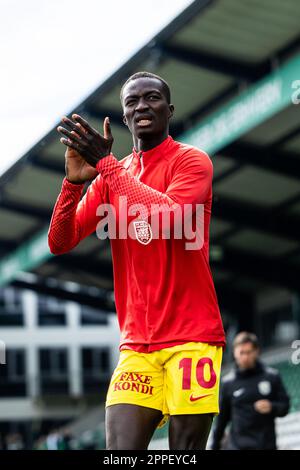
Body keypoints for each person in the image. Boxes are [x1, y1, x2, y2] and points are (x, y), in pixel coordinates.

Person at [48, 71, 225, 450]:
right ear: (124, 117)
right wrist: (73, 183)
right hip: (137, 347)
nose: (142, 106)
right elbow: (59, 243)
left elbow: (167, 219)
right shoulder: (111, 175)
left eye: (152, 98)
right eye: (132, 102)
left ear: (170, 110)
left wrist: (108, 166)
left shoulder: (192, 162)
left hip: (193, 340)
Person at [211, 331, 290, 450]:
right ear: (235, 353)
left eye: (248, 352)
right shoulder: (228, 383)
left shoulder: (271, 376)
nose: (245, 357)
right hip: (237, 446)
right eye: (241, 353)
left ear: (256, 351)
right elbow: (221, 421)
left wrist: (272, 407)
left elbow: (285, 406)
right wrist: (214, 446)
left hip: (265, 445)